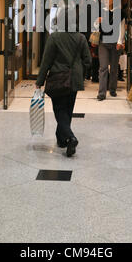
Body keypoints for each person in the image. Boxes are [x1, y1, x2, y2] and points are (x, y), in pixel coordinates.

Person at [36, 9, 91, 157]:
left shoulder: (54, 38)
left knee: (59, 110)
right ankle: (61, 139)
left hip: (58, 78)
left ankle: (70, 137)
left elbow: (46, 61)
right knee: (68, 110)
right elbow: (88, 60)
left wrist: (39, 81)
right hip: (74, 80)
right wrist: (80, 73)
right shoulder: (81, 38)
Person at [96, 0, 125, 101]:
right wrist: (97, 22)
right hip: (103, 42)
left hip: (114, 43)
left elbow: (122, 28)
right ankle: (101, 93)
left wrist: (119, 41)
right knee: (103, 68)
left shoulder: (120, 12)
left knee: (113, 68)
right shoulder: (101, 11)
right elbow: (94, 25)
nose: (107, 0)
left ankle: (112, 89)